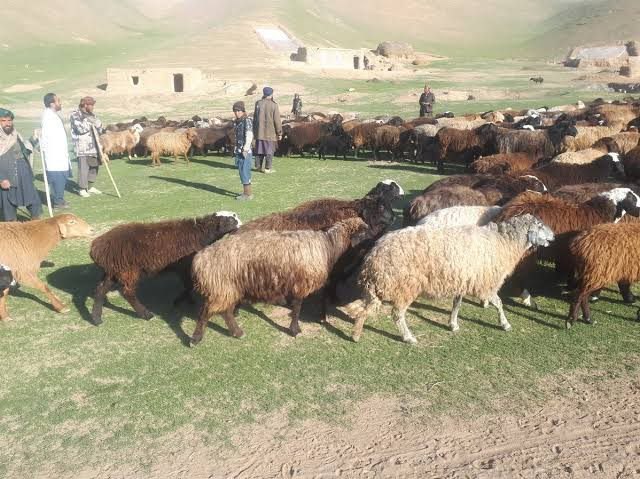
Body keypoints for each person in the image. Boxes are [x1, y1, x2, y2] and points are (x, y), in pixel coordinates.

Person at [0, 108, 42, 221]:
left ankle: (36, 223)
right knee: (8, 204)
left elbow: (25, 151)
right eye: (3, 120)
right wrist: (1, 179)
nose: (7, 123)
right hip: (5, 174)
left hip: (23, 171)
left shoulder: (16, 134)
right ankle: (12, 226)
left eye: (9, 120)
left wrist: (34, 138)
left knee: (33, 200)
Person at [40, 93, 71, 209]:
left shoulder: (53, 115)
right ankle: (58, 201)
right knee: (58, 178)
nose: (60, 103)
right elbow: (46, 136)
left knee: (61, 177)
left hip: (59, 153)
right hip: (54, 154)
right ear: (52, 104)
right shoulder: (48, 117)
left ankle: (59, 199)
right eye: (58, 101)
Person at [70, 96, 103, 198]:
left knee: (94, 166)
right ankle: (82, 189)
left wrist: (99, 124)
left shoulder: (92, 115)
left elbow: (100, 128)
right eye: (91, 105)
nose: (93, 107)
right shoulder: (75, 115)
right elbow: (80, 129)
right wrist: (91, 122)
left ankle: (90, 186)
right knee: (83, 169)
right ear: (85, 105)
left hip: (94, 146)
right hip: (82, 147)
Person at [253, 86, 282, 174]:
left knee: (259, 150)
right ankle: (267, 168)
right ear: (271, 94)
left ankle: (258, 167)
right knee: (269, 151)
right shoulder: (274, 105)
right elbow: (277, 120)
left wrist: (254, 131)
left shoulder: (258, 103)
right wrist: (279, 132)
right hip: (270, 133)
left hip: (259, 132)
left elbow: (255, 118)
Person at [232, 101, 253, 201]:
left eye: (239, 111)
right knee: (241, 171)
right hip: (239, 150)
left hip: (244, 151)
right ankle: (246, 193)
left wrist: (246, 148)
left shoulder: (246, 121)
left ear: (243, 111)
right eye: (235, 111)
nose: (237, 113)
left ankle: (247, 194)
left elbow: (249, 135)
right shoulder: (237, 122)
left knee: (245, 172)